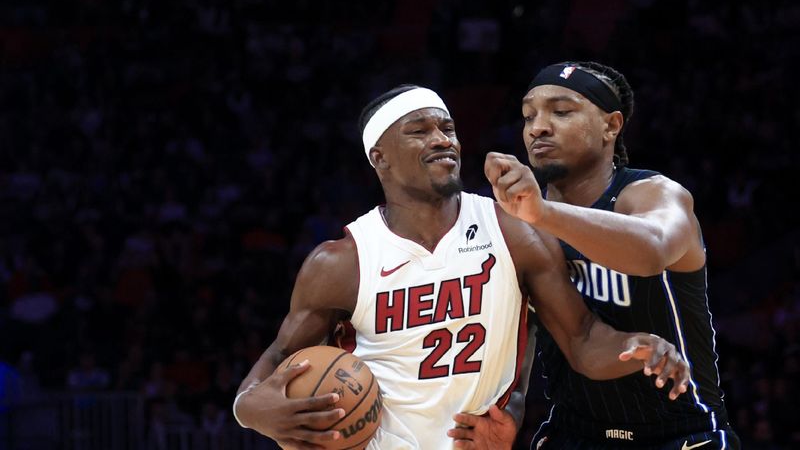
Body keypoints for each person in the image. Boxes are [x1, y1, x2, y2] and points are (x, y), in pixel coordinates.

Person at [232, 84, 690, 450]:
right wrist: (249, 410)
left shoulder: (513, 231)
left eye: (447, 128)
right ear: (380, 157)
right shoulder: (341, 261)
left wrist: (638, 346)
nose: (442, 140)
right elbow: (276, 360)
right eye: (420, 130)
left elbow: (582, 339)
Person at [482, 61, 739, 449]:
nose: (538, 127)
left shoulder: (653, 194)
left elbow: (652, 249)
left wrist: (543, 214)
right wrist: (510, 416)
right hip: (572, 434)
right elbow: (521, 345)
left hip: (682, 434)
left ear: (611, 126)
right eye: (528, 115)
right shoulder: (520, 224)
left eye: (562, 111)